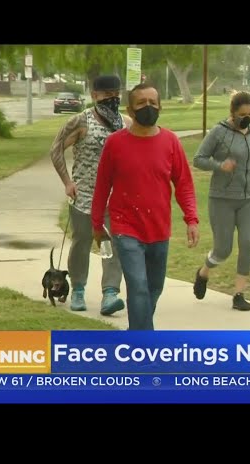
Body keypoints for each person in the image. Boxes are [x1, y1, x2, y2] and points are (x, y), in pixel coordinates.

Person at [91, 83, 200, 330]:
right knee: (138, 286)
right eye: (141, 103)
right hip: (125, 226)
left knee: (153, 287)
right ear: (130, 110)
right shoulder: (115, 143)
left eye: (153, 102)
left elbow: (184, 184)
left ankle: (136, 333)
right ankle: (144, 343)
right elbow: (102, 186)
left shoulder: (171, 142)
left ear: (160, 107)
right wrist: (97, 224)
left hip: (159, 227)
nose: (148, 107)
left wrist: (191, 219)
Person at [49, 74, 132, 315]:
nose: (112, 98)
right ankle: (78, 289)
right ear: (95, 95)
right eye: (107, 94)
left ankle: (110, 292)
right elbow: (56, 149)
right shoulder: (80, 121)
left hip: (115, 198)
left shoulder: (126, 123)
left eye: (116, 94)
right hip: (84, 195)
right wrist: (67, 182)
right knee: (82, 242)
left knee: (111, 243)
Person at [192, 90, 250, 311]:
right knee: (223, 249)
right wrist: (220, 166)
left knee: (248, 243)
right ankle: (203, 272)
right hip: (222, 198)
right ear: (233, 112)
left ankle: (239, 294)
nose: (247, 118)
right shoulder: (219, 132)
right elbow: (198, 159)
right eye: (242, 115)